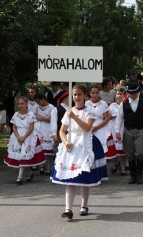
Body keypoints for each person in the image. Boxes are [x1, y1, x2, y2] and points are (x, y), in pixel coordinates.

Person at [51, 84, 107, 220]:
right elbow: (62, 131)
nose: (76, 97)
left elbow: (87, 127)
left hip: (84, 143)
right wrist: (65, 142)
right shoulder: (68, 111)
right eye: (74, 95)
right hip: (71, 145)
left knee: (83, 178)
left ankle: (84, 205)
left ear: (85, 95)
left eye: (79, 94)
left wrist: (74, 117)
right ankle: (68, 208)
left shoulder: (90, 111)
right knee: (70, 178)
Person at [115, 79, 143, 184]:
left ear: (138, 92)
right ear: (128, 93)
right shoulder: (124, 103)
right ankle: (133, 175)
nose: (133, 95)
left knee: (140, 152)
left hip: (140, 129)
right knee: (130, 154)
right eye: (131, 93)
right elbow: (119, 118)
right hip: (128, 130)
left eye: (135, 93)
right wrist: (117, 130)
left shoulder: (142, 102)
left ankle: (140, 175)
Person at [4, 96, 46, 185]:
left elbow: (31, 128)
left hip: (28, 136)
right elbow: (14, 127)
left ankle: (19, 177)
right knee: (20, 155)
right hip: (17, 136)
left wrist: (24, 137)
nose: (20, 106)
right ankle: (30, 173)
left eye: (22, 104)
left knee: (24, 155)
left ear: (26, 104)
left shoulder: (30, 114)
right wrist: (19, 137)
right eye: (19, 104)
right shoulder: (16, 114)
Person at [85, 85, 110, 154]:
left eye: (96, 93)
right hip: (88, 128)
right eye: (93, 93)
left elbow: (107, 118)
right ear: (90, 93)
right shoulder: (86, 104)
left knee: (99, 148)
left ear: (99, 93)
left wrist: (97, 127)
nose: (95, 95)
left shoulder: (103, 104)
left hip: (100, 128)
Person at [34, 92, 55, 175]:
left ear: (43, 99)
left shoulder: (51, 107)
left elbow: (53, 119)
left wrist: (42, 118)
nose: (38, 104)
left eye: (38, 101)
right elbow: (35, 116)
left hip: (48, 129)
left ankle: (50, 167)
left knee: (49, 151)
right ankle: (42, 165)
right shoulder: (38, 107)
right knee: (41, 149)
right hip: (39, 129)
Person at [108, 88, 128, 175]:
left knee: (124, 149)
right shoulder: (112, 105)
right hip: (113, 127)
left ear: (124, 96)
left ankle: (123, 168)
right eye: (117, 94)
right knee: (114, 148)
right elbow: (108, 116)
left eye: (121, 94)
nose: (119, 95)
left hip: (123, 127)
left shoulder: (126, 105)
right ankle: (116, 163)